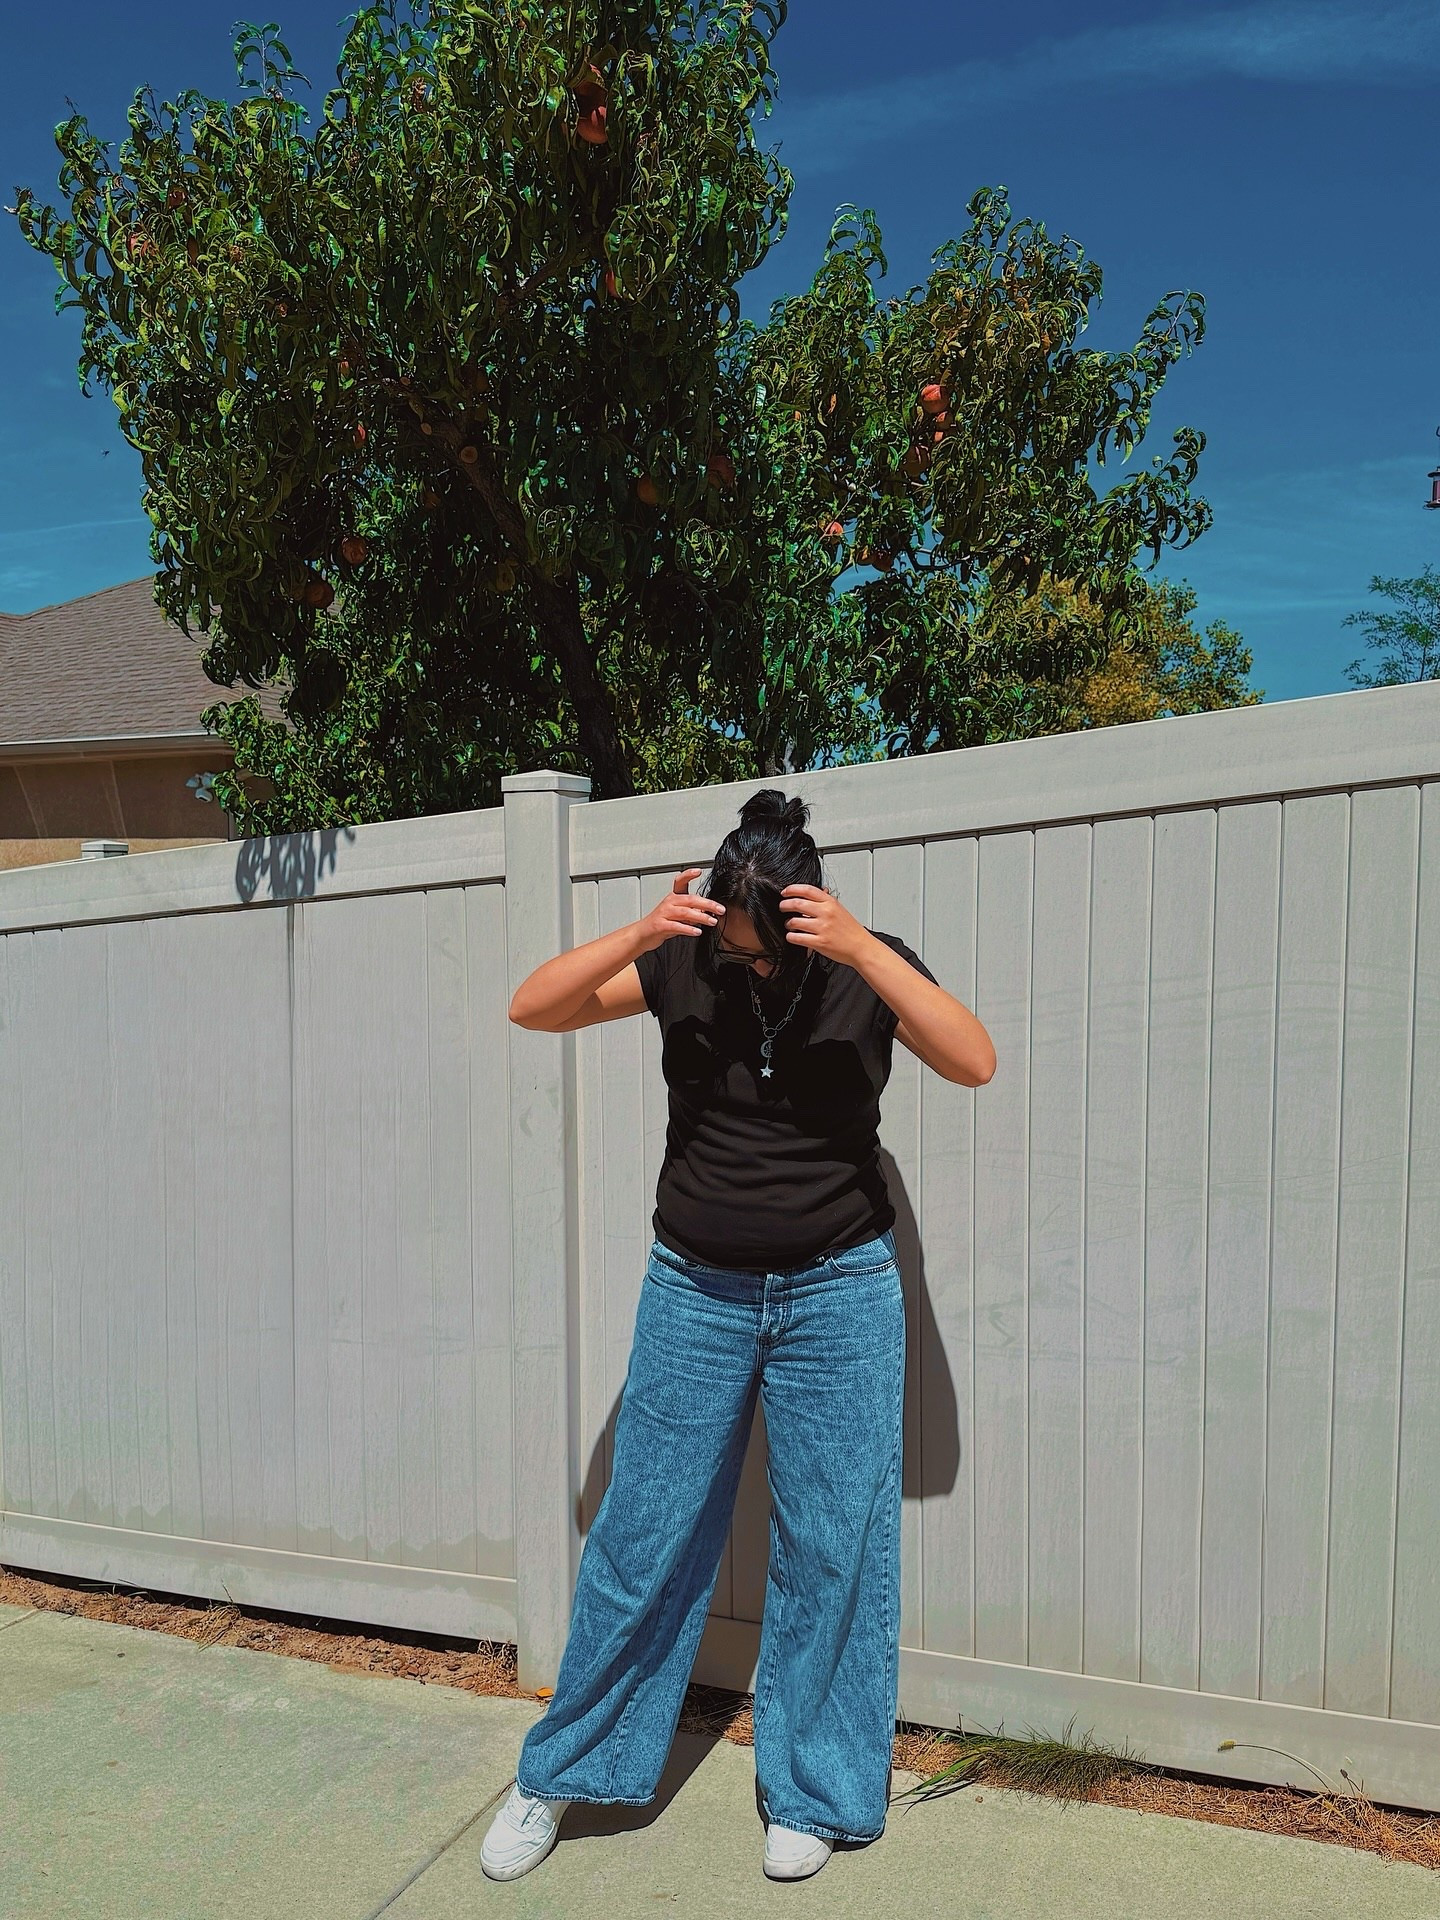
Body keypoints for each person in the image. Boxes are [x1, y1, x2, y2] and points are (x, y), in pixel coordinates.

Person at [480, 788, 996, 1885]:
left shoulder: (863, 963)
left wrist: (861, 944)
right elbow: (534, 1007)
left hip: (840, 1293)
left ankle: (812, 1792)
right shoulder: (689, 960)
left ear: (806, 912)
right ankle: (560, 1773)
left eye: (770, 950)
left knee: (830, 1546)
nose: (753, 970)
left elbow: (973, 1058)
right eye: (737, 946)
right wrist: (638, 929)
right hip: (695, 1291)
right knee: (641, 1537)